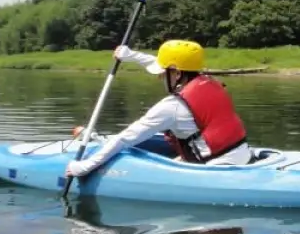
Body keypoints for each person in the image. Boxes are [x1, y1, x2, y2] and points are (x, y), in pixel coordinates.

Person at [65, 39, 253, 179]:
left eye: (163, 74)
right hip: (241, 154)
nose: (159, 78)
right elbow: (162, 62)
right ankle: (100, 140)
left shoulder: (172, 107)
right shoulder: (206, 81)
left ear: (178, 74)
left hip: (216, 168)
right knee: (150, 140)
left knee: (126, 143)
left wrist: (83, 168)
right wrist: (129, 55)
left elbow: (125, 138)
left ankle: (99, 142)